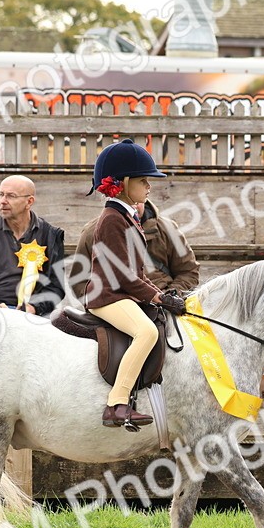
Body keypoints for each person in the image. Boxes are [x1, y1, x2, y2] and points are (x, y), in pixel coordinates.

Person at [84, 139, 183, 428]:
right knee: (146, 332)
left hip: (121, 292)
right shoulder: (113, 219)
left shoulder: (126, 215)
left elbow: (135, 272)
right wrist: (157, 298)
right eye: (143, 180)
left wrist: (159, 294)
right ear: (124, 183)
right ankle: (116, 403)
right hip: (108, 296)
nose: (149, 186)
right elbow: (126, 275)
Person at [0, 175, 66, 315]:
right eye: (1, 195)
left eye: (11, 196)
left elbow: (56, 286)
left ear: (29, 202)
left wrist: (34, 308)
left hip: (36, 315)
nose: (3, 201)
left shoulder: (51, 236)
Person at [71, 199, 199, 300]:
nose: (132, 207)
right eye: (125, 203)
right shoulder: (92, 233)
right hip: (116, 305)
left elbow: (188, 271)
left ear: (145, 197)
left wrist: (171, 296)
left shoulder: (168, 228)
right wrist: (107, 303)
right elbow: (79, 282)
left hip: (163, 300)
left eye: (136, 202)